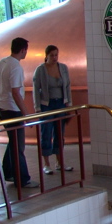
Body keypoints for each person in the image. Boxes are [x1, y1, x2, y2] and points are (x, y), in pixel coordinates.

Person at [0, 37, 37, 188]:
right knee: (18, 146)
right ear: (23, 50)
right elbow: (16, 93)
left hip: (0, 106)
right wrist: (26, 115)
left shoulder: (3, 62)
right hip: (12, 109)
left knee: (13, 141)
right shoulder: (16, 67)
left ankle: (7, 171)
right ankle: (23, 179)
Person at [33, 45, 74, 174]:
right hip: (47, 105)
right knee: (46, 133)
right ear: (46, 56)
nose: (54, 58)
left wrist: (69, 104)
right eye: (52, 55)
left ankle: (59, 162)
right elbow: (36, 89)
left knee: (59, 133)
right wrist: (37, 107)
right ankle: (46, 164)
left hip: (61, 103)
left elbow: (67, 86)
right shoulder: (40, 70)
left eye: (56, 55)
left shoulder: (63, 68)